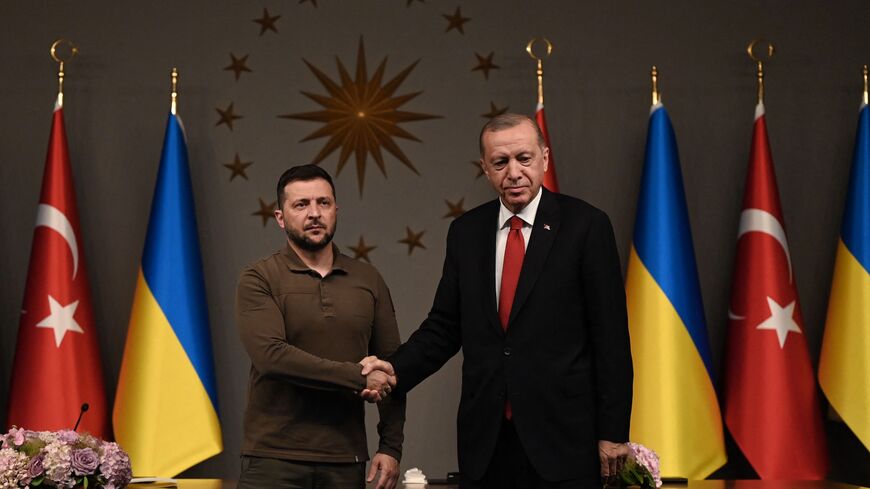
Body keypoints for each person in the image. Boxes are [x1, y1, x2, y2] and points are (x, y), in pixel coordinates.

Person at [362, 114, 633, 488]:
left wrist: (614, 431)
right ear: (485, 168)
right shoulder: (466, 232)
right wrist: (396, 370)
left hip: (565, 440)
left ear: (545, 159)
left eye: (524, 158)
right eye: (501, 162)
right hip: (487, 442)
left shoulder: (586, 226)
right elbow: (444, 327)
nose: (514, 172)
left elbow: (612, 340)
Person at [236, 164, 404, 489]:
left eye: (323, 203)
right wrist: (357, 376)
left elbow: (391, 365)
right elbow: (272, 356)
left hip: (345, 460)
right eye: (301, 205)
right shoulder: (259, 277)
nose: (314, 213)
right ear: (280, 217)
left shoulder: (368, 279)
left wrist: (391, 445)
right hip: (273, 460)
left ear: (335, 210)